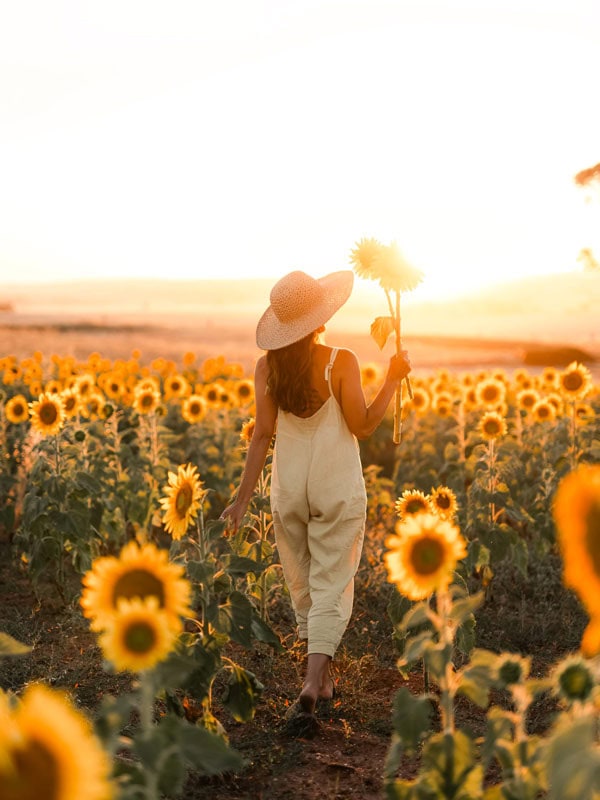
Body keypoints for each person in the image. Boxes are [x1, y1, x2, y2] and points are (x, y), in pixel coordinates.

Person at [220, 269, 411, 717]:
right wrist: (391, 380)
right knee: (332, 585)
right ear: (321, 316)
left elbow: (261, 436)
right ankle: (311, 681)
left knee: (304, 584)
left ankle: (322, 682)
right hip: (335, 486)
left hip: (288, 490)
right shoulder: (338, 362)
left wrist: (243, 498)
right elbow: (362, 426)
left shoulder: (267, 367)